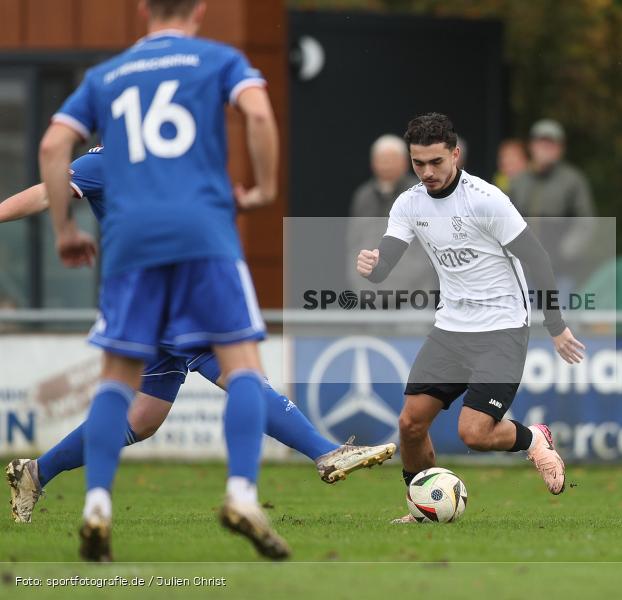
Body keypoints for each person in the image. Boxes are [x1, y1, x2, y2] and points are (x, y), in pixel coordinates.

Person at [3, 146, 396, 526]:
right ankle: (325, 453)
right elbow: (46, 193)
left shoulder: (172, 160)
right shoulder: (108, 160)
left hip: (167, 295)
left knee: (142, 418)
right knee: (242, 374)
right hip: (168, 297)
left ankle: (36, 473)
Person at [40, 0, 280, 561]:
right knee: (242, 365)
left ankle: (97, 503)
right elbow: (261, 115)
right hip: (204, 233)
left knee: (116, 380)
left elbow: (54, 146)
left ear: (143, 9)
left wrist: (63, 230)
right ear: (199, 10)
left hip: (130, 243)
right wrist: (265, 189)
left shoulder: (107, 75)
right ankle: (242, 492)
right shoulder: (220, 59)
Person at [355, 113, 585, 523]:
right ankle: (422, 507)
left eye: (436, 162)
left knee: (474, 433)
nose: (426, 172)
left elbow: (537, 259)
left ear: (455, 154)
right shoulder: (409, 204)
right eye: (418, 163)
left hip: (502, 329)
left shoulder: (486, 200)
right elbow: (385, 263)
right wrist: (372, 264)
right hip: (450, 331)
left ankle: (534, 439)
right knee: (410, 424)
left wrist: (556, 325)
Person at [508, 119, 596, 288]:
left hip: (560, 271)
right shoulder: (518, 181)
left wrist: (566, 251)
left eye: (551, 144)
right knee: (525, 314)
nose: (546, 149)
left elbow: (585, 221)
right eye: (542, 143)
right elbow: (503, 218)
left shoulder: (572, 181)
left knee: (558, 313)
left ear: (560, 149)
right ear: (532, 146)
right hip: (524, 270)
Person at [345, 134, 433, 293]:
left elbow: (427, 248)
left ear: (406, 162)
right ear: (373, 163)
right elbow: (354, 244)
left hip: (415, 294)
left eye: (391, 159)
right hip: (370, 293)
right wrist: (360, 281)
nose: (386, 165)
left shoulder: (420, 194)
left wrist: (397, 284)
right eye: (382, 160)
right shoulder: (363, 196)